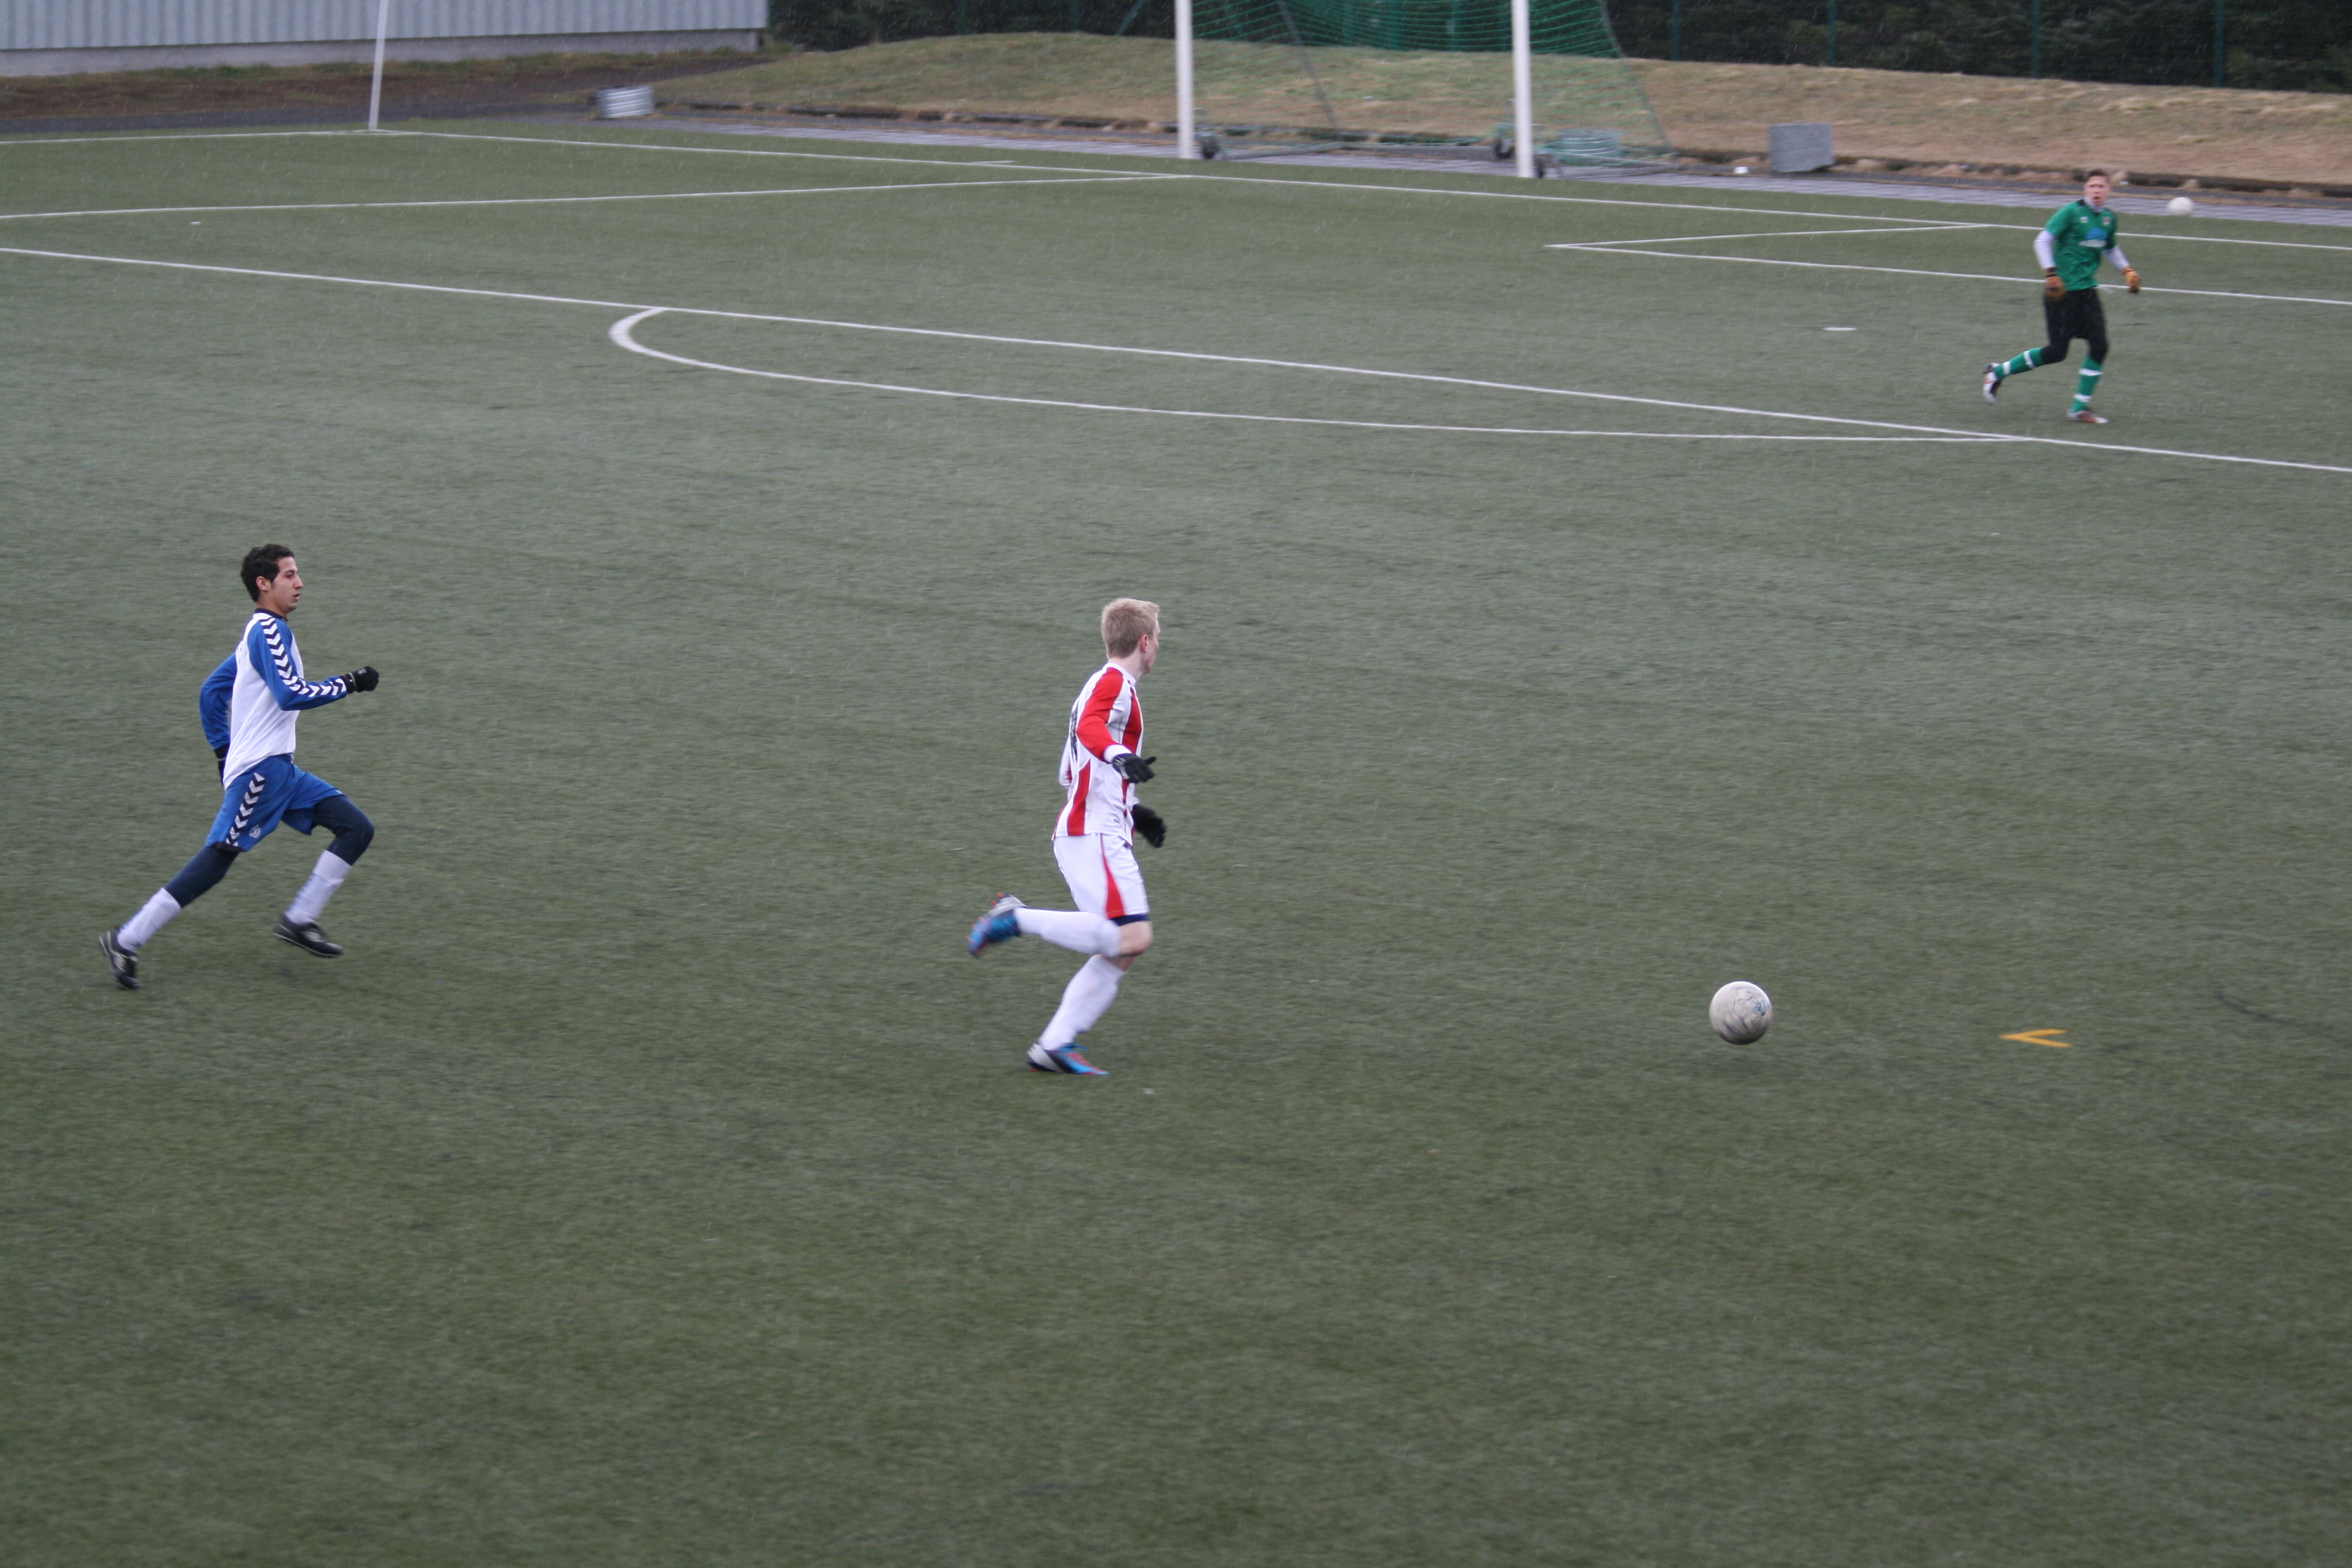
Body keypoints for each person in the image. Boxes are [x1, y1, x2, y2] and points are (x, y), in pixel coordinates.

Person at [99, 546, 380, 989]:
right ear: (263, 584)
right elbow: (291, 694)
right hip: (261, 772)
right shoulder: (268, 631)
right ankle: (127, 939)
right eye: (289, 575)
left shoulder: (259, 632)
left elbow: (212, 691)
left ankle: (300, 919)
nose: (300, 583)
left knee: (357, 828)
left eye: (297, 574)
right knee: (218, 857)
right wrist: (350, 683)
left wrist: (222, 754)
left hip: (281, 771)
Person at [967, 598, 1168, 1076]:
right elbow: (1092, 729)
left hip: (1092, 829)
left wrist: (1134, 810)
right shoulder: (1115, 682)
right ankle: (1016, 918)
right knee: (1132, 936)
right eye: (1158, 638)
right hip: (1093, 833)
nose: (1159, 647)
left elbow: (1070, 770)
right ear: (1144, 642)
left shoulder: (1101, 686)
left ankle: (1054, 1045)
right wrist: (1120, 756)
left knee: (1121, 949)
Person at [1982, 171, 2143, 425]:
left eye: (2101, 186)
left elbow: (2110, 248)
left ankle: (2079, 408)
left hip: (2087, 293)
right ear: (2086, 189)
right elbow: (2042, 241)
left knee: (2100, 346)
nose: (2097, 190)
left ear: (2109, 190)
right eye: (2092, 186)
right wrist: (2051, 274)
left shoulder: (2109, 219)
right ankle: (1997, 372)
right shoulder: (2071, 212)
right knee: (2057, 352)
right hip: (2062, 294)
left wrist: (2127, 270)